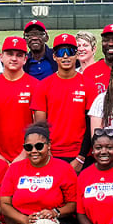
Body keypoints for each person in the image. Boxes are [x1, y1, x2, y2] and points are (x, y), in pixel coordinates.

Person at [34, 34, 95, 170]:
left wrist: (81, 157)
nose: (66, 56)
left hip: (81, 156)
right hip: (52, 154)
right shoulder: (43, 86)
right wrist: (47, 153)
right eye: (61, 52)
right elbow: (40, 125)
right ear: (55, 56)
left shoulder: (88, 85)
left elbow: (91, 123)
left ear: (76, 55)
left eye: (70, 52)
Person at [0, 36, 41, 164]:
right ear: (1, 56)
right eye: (9, 54)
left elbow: (37, 124)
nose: (14, 58)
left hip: (28, 155)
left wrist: (24, 154)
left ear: (25, 59)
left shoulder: (36, 85)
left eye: (19, 55)